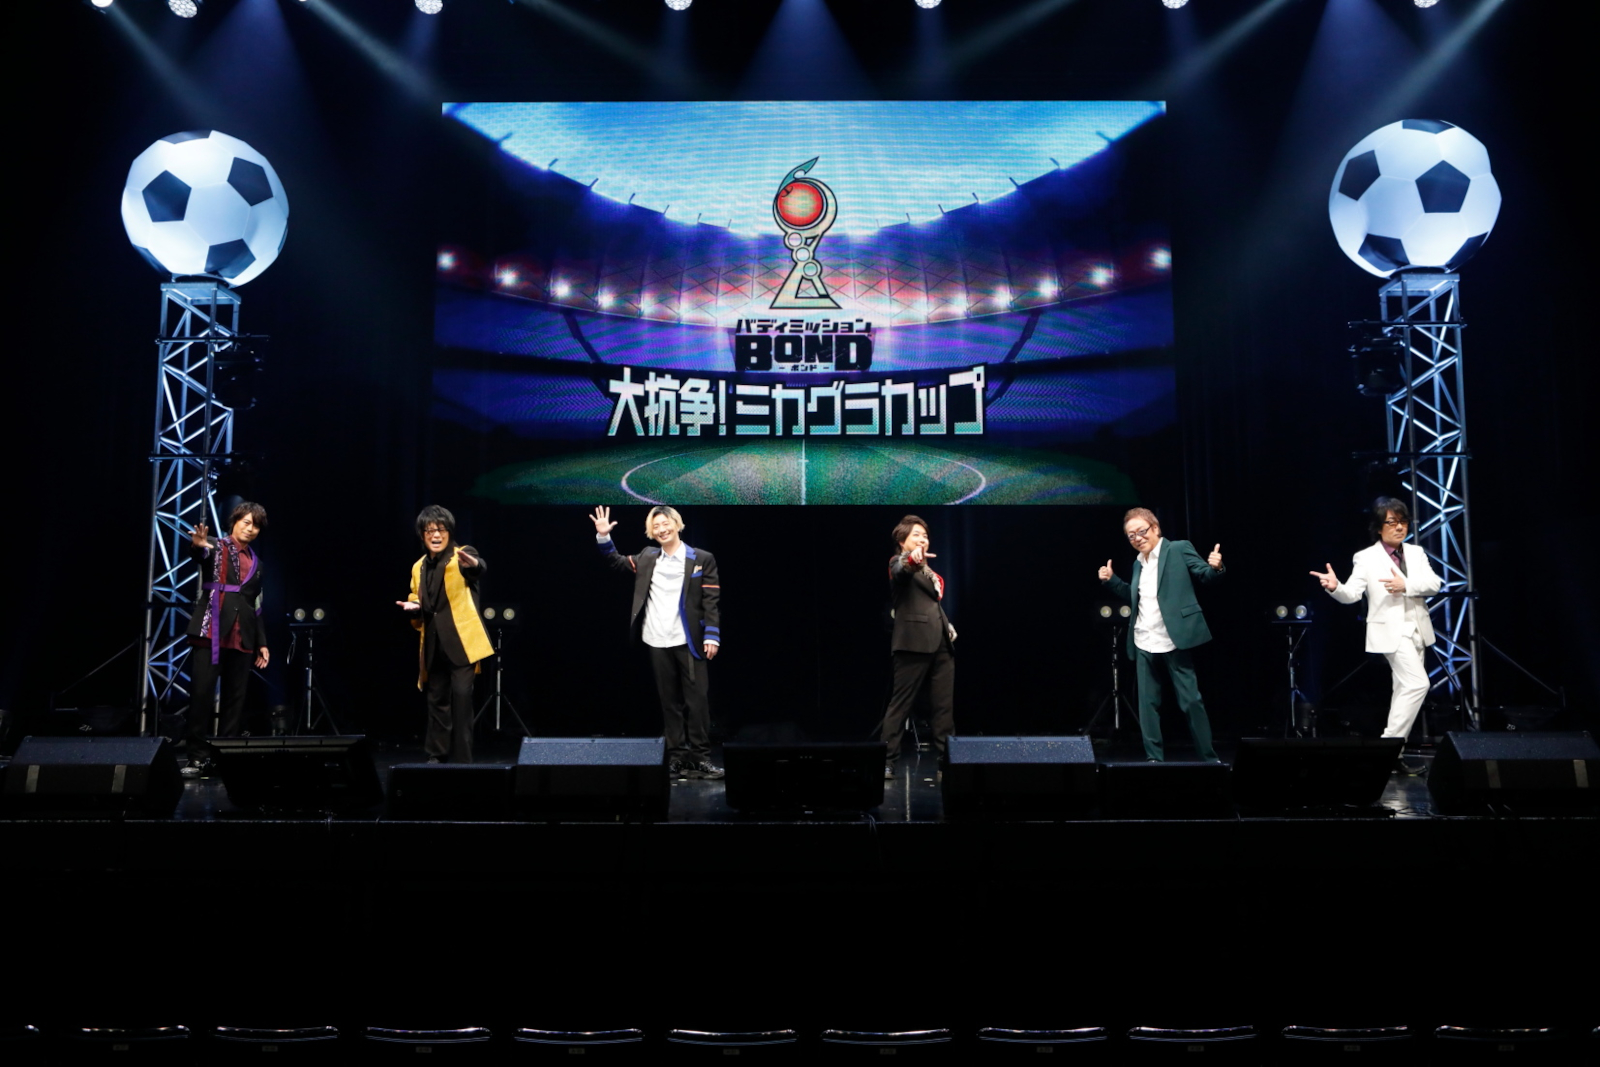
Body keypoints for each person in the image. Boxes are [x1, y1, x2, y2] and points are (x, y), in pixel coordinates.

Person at [590, 505, 723, 779]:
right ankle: (677, 758)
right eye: (656, 526)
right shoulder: (648, 557)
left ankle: (700, 759)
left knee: (697, 702)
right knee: (669, 703)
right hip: (656, 639)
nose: (662, 530)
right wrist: (603, 536)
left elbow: (711, 600)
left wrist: (712, 635)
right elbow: (615, 562)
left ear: (677, 524)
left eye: (665, 524)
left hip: (688, 640)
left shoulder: (701, 558)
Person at [1310, 497, 1442, 774]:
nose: (1399, 527)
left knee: (1403, 692)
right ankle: (1387, 746)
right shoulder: (1366, 557)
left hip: (1418, 630)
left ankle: (1392, 755)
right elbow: (1351, 594)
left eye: (1403, 522)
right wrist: (1335, 587)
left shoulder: (1416, 552)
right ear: (1378, 527)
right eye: (1392, 522)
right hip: (1391, 632)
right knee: (1418, 684)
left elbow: (1434, 584)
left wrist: (1406, 584)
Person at [1098, 508, 1224, 762]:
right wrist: (1112, 580)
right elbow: (1135, 597)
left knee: (1191, 701)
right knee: (1147, 705)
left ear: (1155, 528)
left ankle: (1209, 759)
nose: (1137, 538)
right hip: (1143, 639)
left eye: (1141, 531)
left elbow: (1205, 575)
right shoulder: (1138, 563)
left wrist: (1217, 567)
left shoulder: (1178, 549)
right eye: (1131, 535)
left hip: (1174, 638)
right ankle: (1153, 759)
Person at [397, 505, 492, 763]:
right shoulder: (418, 567)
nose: (436, 535)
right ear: (422, 535)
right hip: (433, 643)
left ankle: (462, 759)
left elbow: (477, 567)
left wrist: (474, 564)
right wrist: (414, 606)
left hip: (462, 643)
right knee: (436, 701)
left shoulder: (462, 555)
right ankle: (436, 755)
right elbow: (417, 597)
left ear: (449, 532)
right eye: (430, 531)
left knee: (462, 700)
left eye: (441, 530)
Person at [183, 502, 270, 778]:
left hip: (242, 637)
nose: (250, 529)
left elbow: (255, 605)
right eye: (246, 522)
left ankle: (225, 756)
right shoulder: (215, 545)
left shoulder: (258, 564)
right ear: (234, 521)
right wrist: (198, 546)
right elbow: (200, 553)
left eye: (256, 526)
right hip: (212, 630)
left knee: (235, 700)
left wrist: (262, 642)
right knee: (201, 695)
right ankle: (197, 757)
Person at [881, 514, 956, 780]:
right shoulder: (898, 562)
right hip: (913, 642)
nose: (923, 539)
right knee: (901, 705)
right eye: (916, 535)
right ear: (902, 541)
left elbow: (931, 604)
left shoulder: (929, 572)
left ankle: (947, 763)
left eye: (925, 536)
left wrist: (946, 624)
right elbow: (901, 572)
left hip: (941, 644)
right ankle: (887, 761)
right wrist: (912, 560)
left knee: (943, 707)